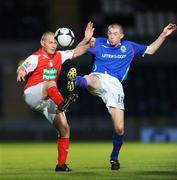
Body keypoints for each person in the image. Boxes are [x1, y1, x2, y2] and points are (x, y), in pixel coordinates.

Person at [67, 23, 177, 170]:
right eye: (110, 33)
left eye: (115, 33)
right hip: (99, 77)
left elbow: (151, 50)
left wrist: (163, 34)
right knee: (91, 80)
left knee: (119, 128)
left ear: (121, 35)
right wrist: (85, 39)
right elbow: (75, 52)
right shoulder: (98, 42)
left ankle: (114, 158)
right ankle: (75, 81)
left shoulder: (129, 47)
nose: (111, 36)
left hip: (115, 86)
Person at [16, 22, 94, 172]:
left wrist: (87, 41)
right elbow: (23, 66)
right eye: (50, 42)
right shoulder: (36, 57)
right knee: (50, 82)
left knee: (64, 128)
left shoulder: (60, 55)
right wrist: (21, 72)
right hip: (33, 93)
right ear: (42, 43)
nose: (53, 45)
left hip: (49, 98)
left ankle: (61, 165)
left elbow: (76, 52)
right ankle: (63, 103)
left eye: (55, 42)